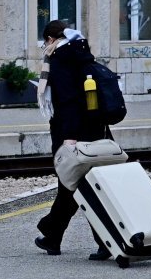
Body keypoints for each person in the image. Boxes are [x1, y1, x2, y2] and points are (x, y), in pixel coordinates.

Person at [34, 20, 110, 261]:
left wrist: (69, 138)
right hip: (95, 130)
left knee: (77, 187)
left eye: (44, 42)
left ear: (50, 39)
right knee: (74, 187)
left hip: (73, 134)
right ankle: (53, 235)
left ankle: (101, 240)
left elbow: (69, 102)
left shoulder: (61, 60)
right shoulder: (81, 55)